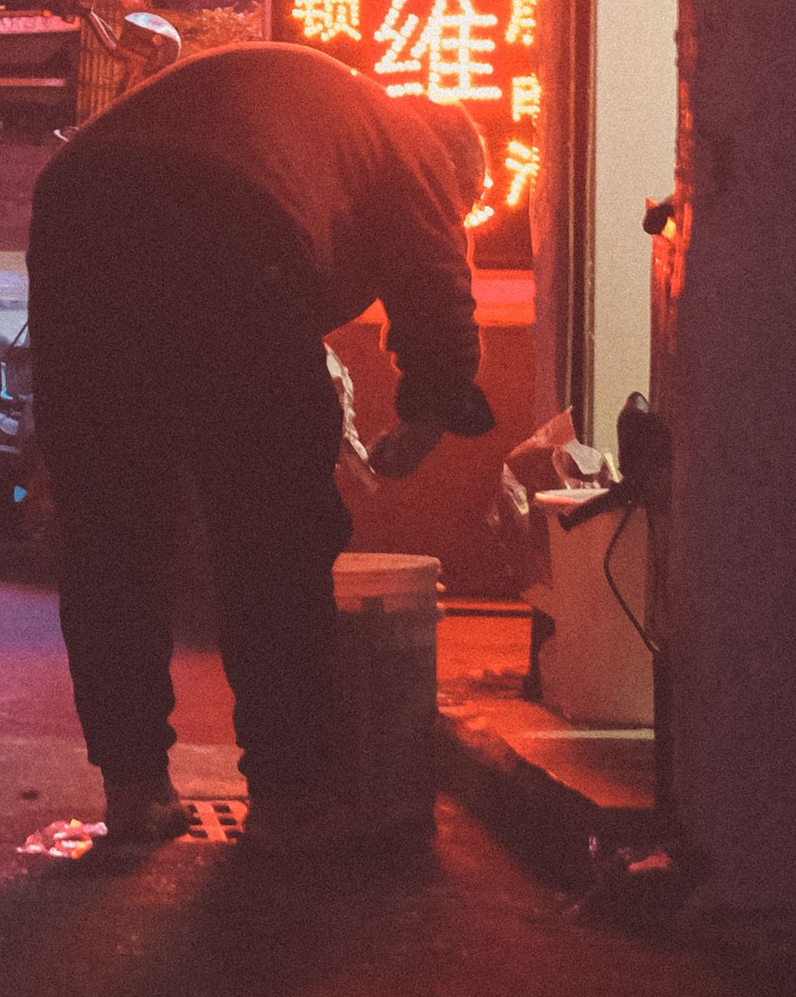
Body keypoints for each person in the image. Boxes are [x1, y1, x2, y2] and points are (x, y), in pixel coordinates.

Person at [24, 43, 495, 856]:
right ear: (454, 175)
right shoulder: (414, 142)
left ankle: (134, 789)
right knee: (273, 538)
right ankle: (288, 800)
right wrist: (427, 414)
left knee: (112, 527)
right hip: (228, 227)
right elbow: (437, 286)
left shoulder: (327, 104)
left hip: (78, 209)